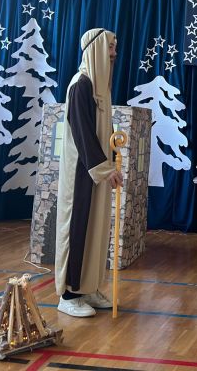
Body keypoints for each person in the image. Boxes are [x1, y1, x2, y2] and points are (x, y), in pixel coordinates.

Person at [55, 28, 123, 317]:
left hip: (97, 172)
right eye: (110, 47)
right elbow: (83, 134)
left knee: (96, 229)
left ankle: (89, 286)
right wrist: (105, 169)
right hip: (81, 173)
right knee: (79, 229)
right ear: (96, 49)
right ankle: (69, 293)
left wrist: (113, 160)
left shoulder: (100, 89)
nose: (115, 53)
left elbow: (103, 133)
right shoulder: (80, 86)